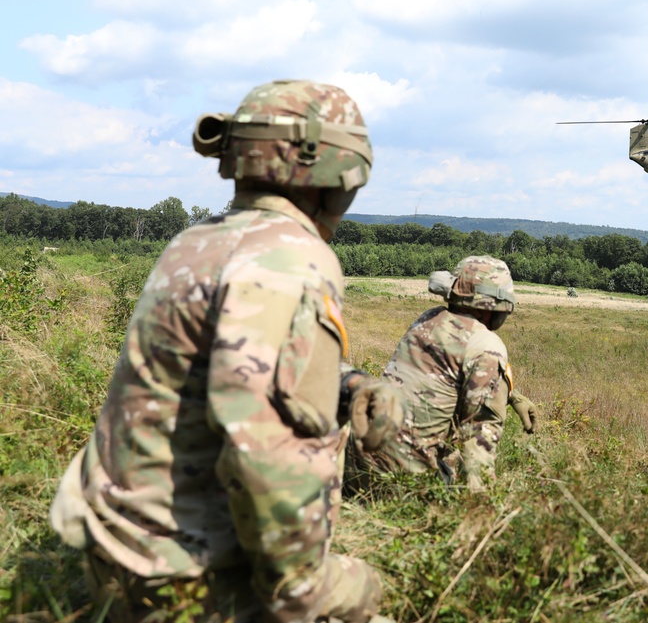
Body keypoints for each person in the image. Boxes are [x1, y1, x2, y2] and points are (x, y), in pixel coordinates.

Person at [50, 80, 402, 623]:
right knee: (368, 593)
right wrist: (305, 591)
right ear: (335, 174)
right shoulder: (294, 259)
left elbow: (237, 357)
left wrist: (349, 385)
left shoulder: (198, 242)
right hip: (181, 583)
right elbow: (264, 453)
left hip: (113, 554)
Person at [344, 256, 537, 494]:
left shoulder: (429, 319)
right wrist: (479, 510)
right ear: (496, 306)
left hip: (355, 465)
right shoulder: (487, 345)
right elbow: (479, 438)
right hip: (403, 483)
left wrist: (511, 395)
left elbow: (443, 373)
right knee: (450, 467)